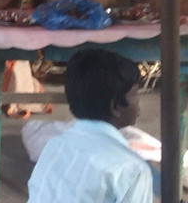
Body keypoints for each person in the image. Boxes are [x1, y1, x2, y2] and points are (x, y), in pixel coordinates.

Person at [27, 48, 151, 203]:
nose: (138, 101)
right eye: (135, 93)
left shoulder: (55, 146)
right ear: (115, 107)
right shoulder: (132, 169)